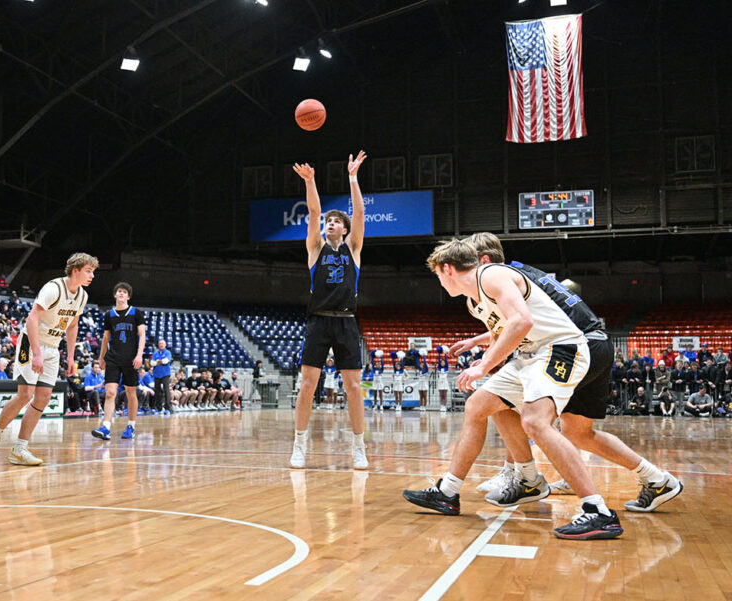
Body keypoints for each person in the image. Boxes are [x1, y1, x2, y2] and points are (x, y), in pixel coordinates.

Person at [403, 239, 623, 540]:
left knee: (534, 421)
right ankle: (449, 492)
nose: (440, 283)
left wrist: (482, 366)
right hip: (532, 355)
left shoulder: (491, 275)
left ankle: (598, 511)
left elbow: (521, 320)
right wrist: (483, 352)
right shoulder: (474, 300)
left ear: (447, 268)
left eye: (439, 276)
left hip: (561, 348)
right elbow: (502, 329)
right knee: (479, 406)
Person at [462, 232, 681, 513]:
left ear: (484, 261)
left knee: (513, 407)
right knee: (579, 434)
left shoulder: (497, 279)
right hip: (598, 344)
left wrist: (483, 359)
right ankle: (657, 479)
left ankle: (522, 476)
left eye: (469, 265)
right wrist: (477, 341)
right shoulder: (520, 272)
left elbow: (518, 323)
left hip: (575, 346)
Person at [288, 151, 369, 470]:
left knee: (353, 387)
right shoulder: (314, 248)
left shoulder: (354, 249)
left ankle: (359, 446)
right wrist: (310, 181)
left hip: (347, 322)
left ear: (345, 230)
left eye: (336, 221)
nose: (330, 223)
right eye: (328, 221)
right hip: (318, 322)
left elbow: (360, 212)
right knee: (307, 385)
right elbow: (313, 210)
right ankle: (299, 444)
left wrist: (352, 178)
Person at [0, 253, 97, 465]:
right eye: (89, 270)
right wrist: (37, 353)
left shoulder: (82, 296)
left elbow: (73, 325)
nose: (92, 275)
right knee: (25, 394)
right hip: (30, 342)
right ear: (76, 270)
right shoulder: (53, 288)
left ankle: (19, 450)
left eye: (93, 271)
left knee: (42, 398)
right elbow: (32, 319)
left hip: (53, 345)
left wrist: (70, 356)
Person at [91, 282, 146, 440]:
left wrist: (139, 355)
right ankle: (106, 427)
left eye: (124, 292)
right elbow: (106, 338)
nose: (121, 294)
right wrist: (101, 357)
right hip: (113, 358)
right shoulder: (109, 315)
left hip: (130, 359)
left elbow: (142, 335)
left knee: (131, 393)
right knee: (110, 393)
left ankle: (131, 426)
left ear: (128, 296)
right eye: (119, 292)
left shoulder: (136, 313)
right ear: (115, 295)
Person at [150, 338, 173, 414]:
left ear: (165, 345)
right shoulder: (155, 353)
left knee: (166, 391)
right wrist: (160, 361)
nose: (161, 345)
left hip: (165, 374)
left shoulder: (168, 352)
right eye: (160, 344)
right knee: (157, 392)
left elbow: (166, 361)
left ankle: (168, 408)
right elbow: (152, 363)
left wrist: (158, 362)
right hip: (157, 374)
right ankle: (159, 408)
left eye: (162, 344)